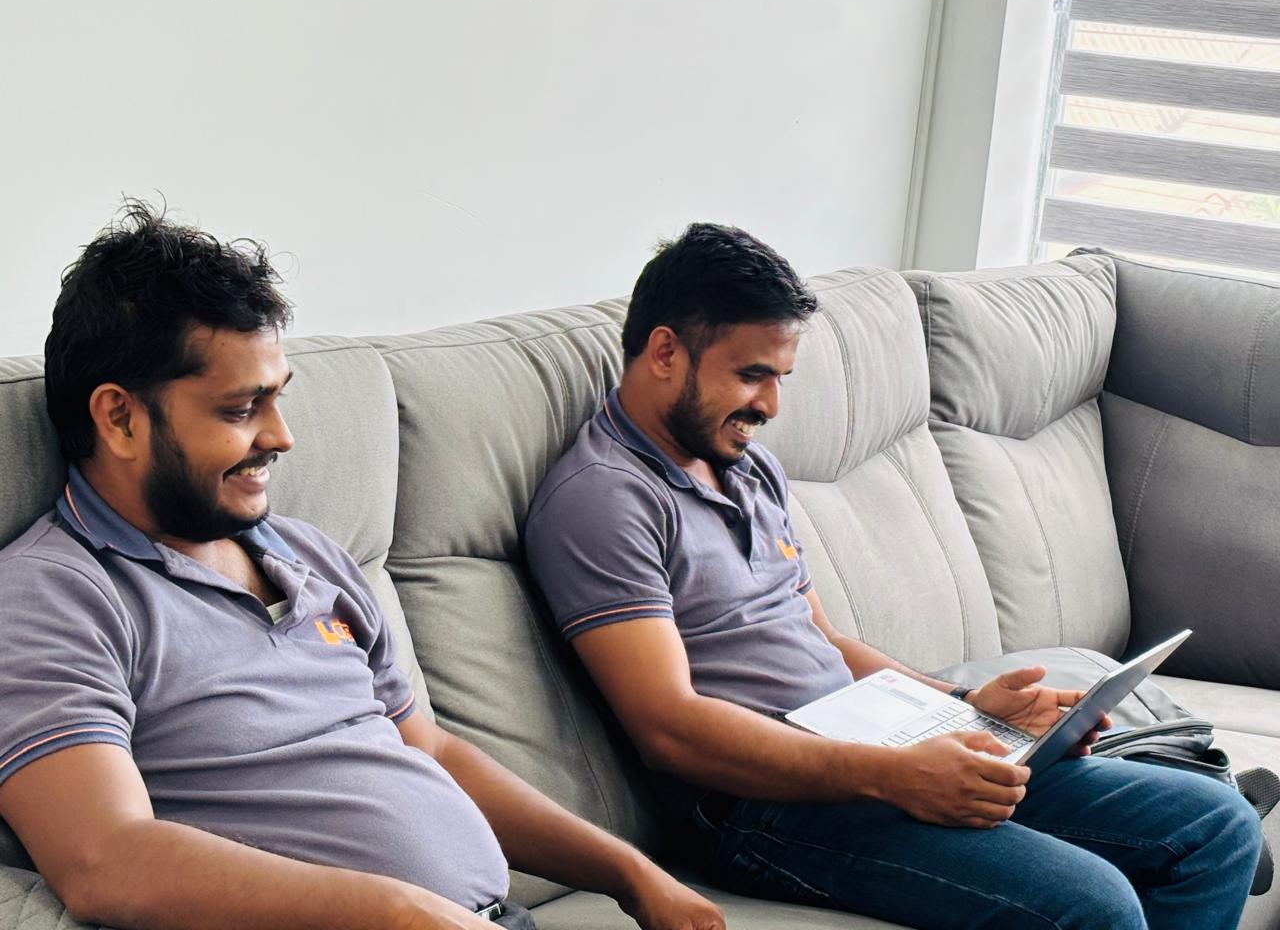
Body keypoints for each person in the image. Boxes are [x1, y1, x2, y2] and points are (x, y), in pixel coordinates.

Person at [0, 202, 725, 930]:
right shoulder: (54, 596)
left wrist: (632, 875)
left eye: (278, 398)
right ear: (119, 418)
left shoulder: (307, 554)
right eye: (242, 409)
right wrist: (399, 910)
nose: (282, 436)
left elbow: (430, 749)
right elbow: (105, 860)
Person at [524, 222, 1264, 930]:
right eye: (751, 376)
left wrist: (970, 709)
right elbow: (669, 727)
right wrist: (892, 774)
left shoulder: (746, 468)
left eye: (780, 377)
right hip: (763, 804)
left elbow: (823, 638)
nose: (771, 406)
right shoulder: (604, 500)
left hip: (869, 744)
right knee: (1093, 905)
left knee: (1215, 826)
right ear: (664, 352)